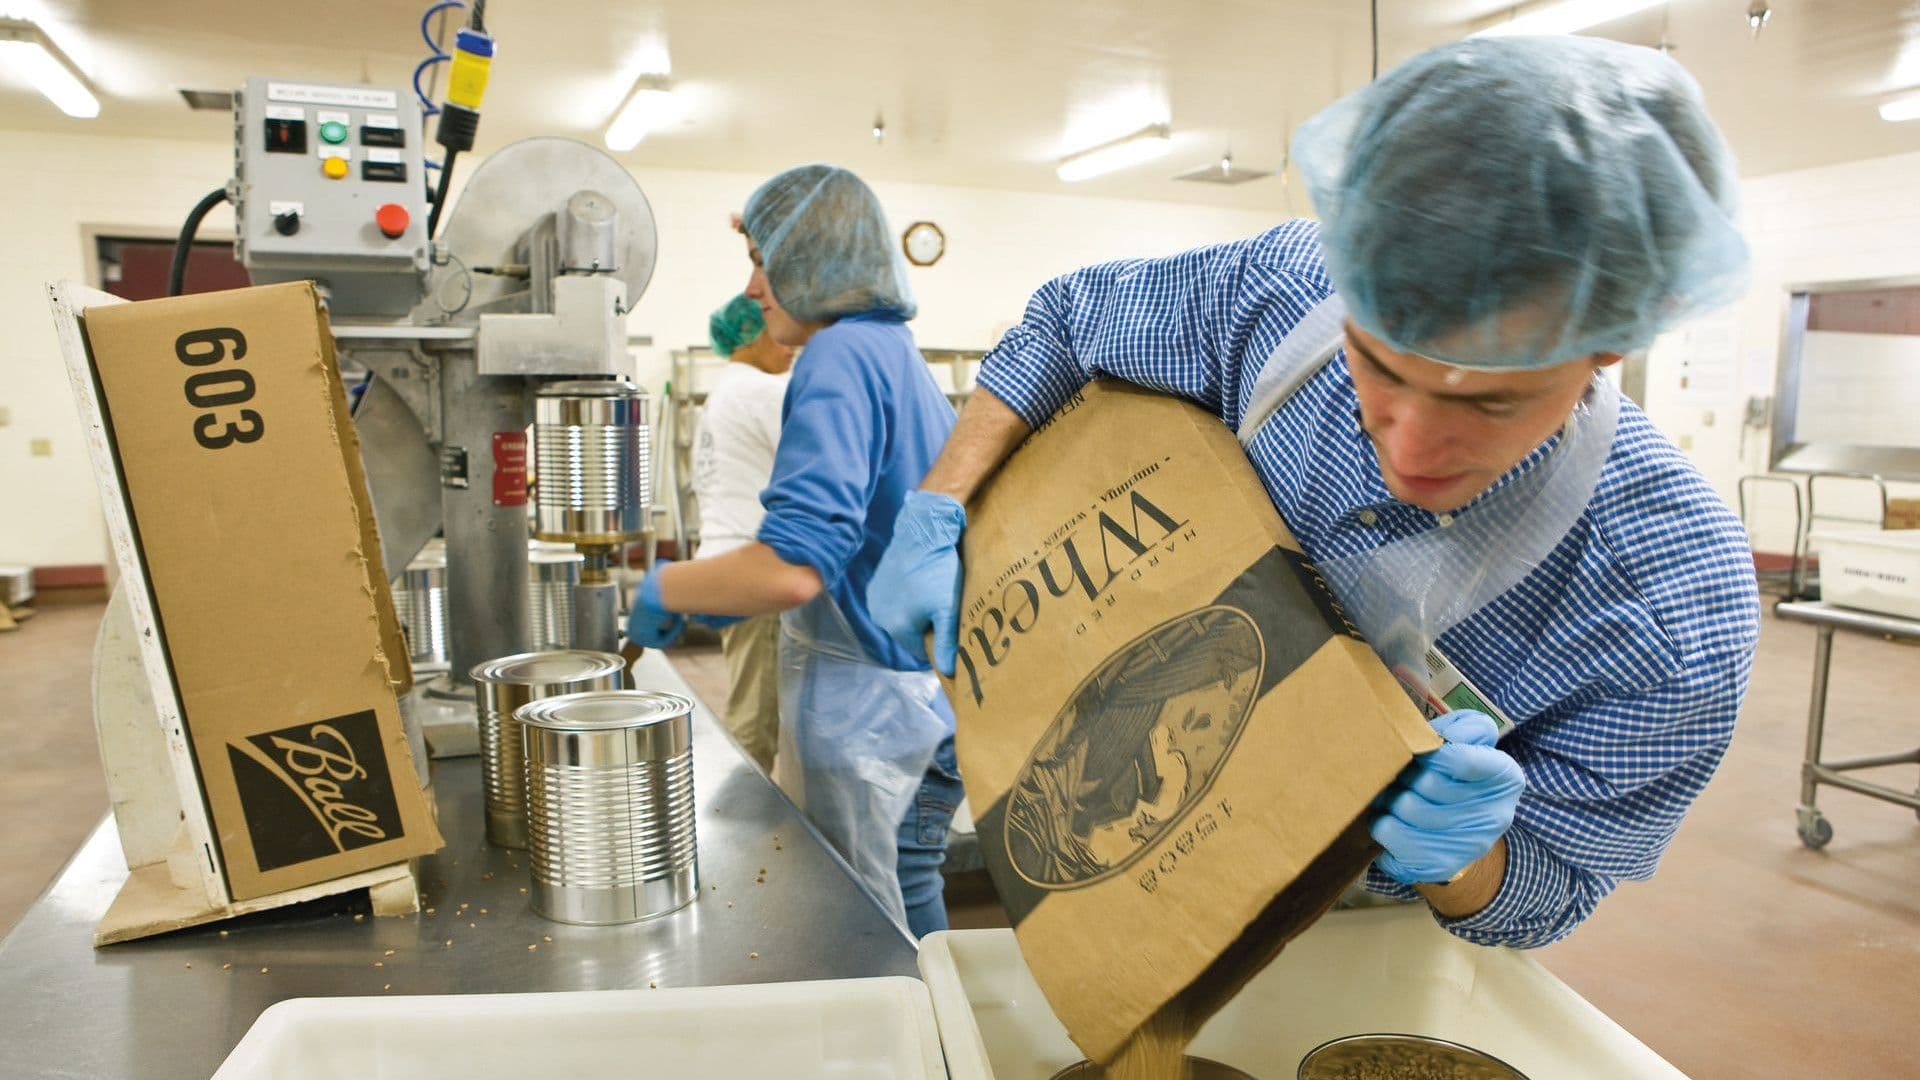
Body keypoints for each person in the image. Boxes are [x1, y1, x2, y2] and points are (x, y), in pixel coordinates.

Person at [867, 36, 1761, 949]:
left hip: (1347, 922)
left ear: (1614, 340)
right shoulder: (1283, 295)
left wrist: (1452, 852)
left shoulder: (1671, 608)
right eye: (1376, 365)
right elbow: (1068, 324)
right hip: (1117, 783)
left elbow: (1549, 892)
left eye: (1491, 402)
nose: (1409, 447)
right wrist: (941, 501)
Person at [627, 165, 962, 937]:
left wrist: (667, 587)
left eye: (762, 260)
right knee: (910, 881)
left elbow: (792, 567)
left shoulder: (838, 356)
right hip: (928, 696)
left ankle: (896, 1052)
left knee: (863, 916)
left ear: (816, 260)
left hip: (871, 709)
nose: (752, 289)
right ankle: (943, 1044)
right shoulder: (894, 350)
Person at [691, 294, 795, 772]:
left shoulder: (722, 394)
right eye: (778, 329)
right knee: (755, 718)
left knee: (750, 698)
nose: (790, 345)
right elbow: (820, 463)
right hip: (753, 567)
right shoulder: (760, 392)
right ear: (753, 334)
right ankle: (739, 832)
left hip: (721, 564)